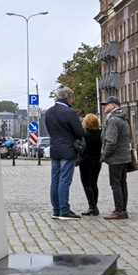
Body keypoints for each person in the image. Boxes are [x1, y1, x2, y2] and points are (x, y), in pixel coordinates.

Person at [43, 87, 87, 220]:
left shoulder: (48, 112)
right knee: (65, 180)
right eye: (72, 97)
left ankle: (56, 210)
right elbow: (80, 132)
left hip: (55, 149)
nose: (72, 100)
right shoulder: (69, 112)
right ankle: (64, 210)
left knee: (55, 180)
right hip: (68, 150)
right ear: (67, 98)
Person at [99, 96, 132, 220]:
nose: (104, 107)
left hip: (116, 157)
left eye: (106, 104)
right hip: (124, 155)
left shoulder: (113, 120)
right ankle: (123, 209)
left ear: (113, 105)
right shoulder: (123, 118)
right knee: (122, 183)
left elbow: (111, 141)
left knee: (116, 184)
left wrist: (105, 155)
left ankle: (118, 210)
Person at [79, 113, 103, 216]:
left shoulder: (83, 134)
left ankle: (92, 206)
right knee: (94, 183)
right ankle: (95, 206)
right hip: (97, 161)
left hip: (85, 161)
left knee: (87, 184)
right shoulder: (100, 134)